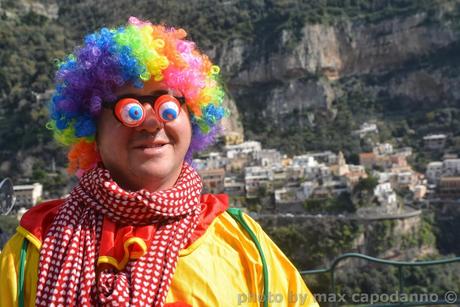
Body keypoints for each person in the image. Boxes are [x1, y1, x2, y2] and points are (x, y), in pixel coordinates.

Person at [0, 17, 319, 307]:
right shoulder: (33, 248)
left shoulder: (246, 246)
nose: (151, 123)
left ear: (192, 115)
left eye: (168, 105)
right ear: (92, 128)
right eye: (131, 108)